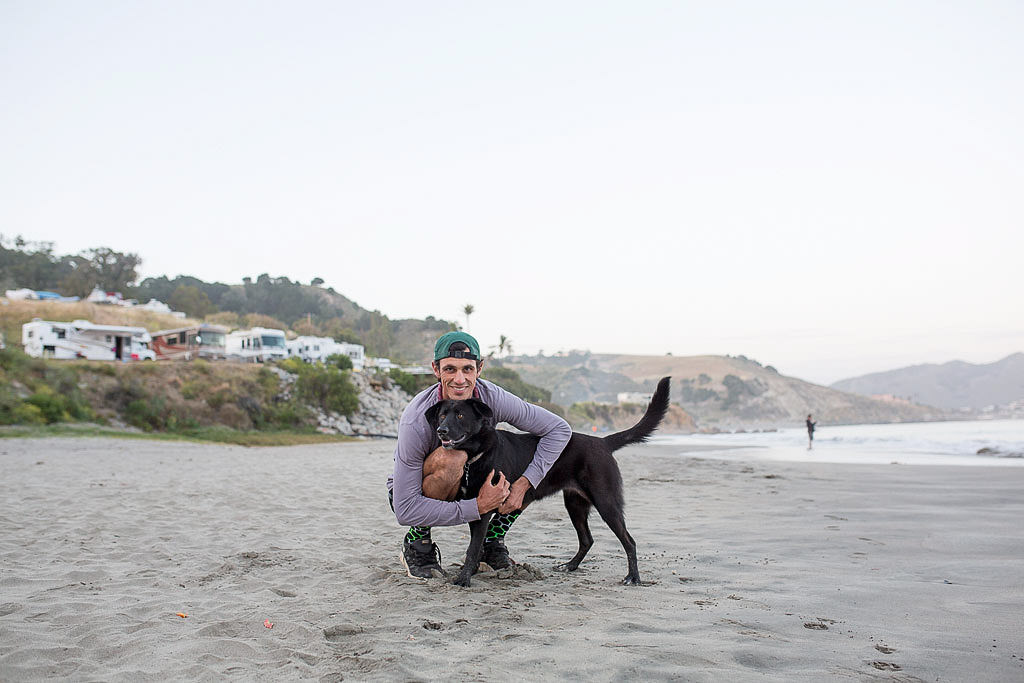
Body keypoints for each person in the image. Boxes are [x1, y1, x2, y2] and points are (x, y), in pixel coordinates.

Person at [387, 331, 572, 579]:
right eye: (450, 369)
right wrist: (476, 507)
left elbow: (559, 429)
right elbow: (405, 509)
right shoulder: (416, 420)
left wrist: (525, 483)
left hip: (472, 480)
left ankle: (491, 541)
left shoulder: (492, 397)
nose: (460, 379)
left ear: (479, 368)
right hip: (415, 491)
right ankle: (417, 542)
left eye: (467, 369)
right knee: (453, 457)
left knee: (526, 461)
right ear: (436, 369)